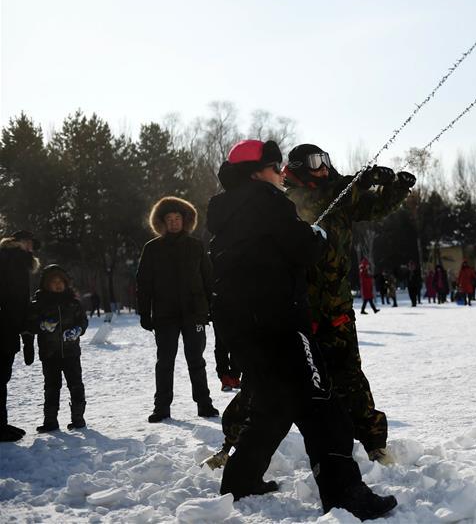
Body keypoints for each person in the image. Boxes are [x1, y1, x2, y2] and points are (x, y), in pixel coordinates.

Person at [208, 139, 396, 518]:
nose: (281, 174)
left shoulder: (225, 213)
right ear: (256, 172)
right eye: (275, 167)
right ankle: (345, 493)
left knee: (271, 406)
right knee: (323, 408)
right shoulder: (267, 202)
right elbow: (302, 248)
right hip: (281, 325)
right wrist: (317, 236)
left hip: (245, 331)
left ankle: (240, 481)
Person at [283, 143, 415, 463]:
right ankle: (232, 447)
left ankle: (374, 444)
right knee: (277, 381)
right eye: (316, 162)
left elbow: (372, 208)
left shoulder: (339, 195)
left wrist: (395, 189)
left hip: (337, 307)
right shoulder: (288, 201)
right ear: (300, 167)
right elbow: (315, 202)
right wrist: (359, 180)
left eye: (326, 160)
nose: (324, 167)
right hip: (298, 312)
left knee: (351, 379)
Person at [136, 196, 218, 422]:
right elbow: (143, 283)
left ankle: (204, 404)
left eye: (177, 218)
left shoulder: (196, 246)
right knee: (165, 362)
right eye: (169, 219)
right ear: (162, 222)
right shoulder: (152, 249)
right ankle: (161, 407)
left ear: (185, 220)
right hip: (165, 314)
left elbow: (208, 279)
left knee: (196, 360)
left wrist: (212, 308)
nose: (173, 222)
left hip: (195, 313)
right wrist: (144, 312)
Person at [25, 265, 88, 432]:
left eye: (61, 281)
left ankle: (78, 418)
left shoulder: (73, 303)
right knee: (51, 387)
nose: (58, 284)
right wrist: (42, 325)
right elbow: (29, 325)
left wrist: (77, 330)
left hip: (71, 353)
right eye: (54, 281)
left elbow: (83, 321)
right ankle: (50, 421)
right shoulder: (38, 304)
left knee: (75, 385)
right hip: (49, 354)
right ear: (46, 284)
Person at [0, 230, 40, 442]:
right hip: (4, 326)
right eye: (29, 243)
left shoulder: (13, 260)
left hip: (8, 326)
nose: (31, 248)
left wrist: (26, 336)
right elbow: (15, 302)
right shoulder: (13, 260)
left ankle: (2, 423)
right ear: (17, 243)